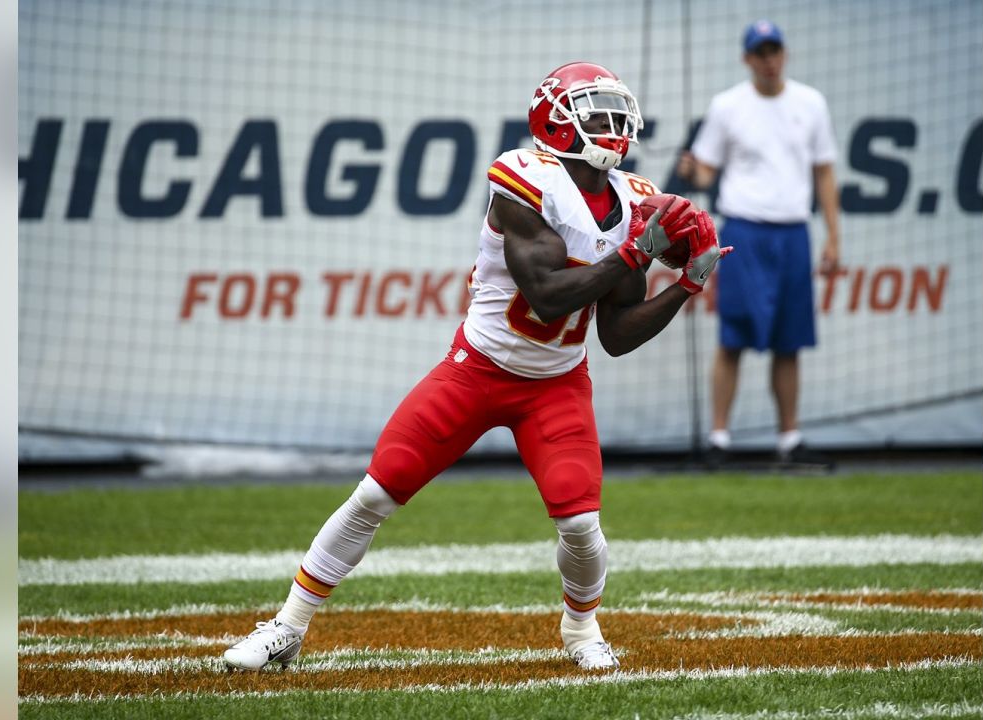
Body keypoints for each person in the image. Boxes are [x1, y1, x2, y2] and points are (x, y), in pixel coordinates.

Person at [223, 62, 729, 672]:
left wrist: (684, 287)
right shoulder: (522, 178)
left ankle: (581, 629)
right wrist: (634, 252)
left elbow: (617, 335)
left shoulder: (632, 201)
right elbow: (546, 294)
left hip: (557, 383)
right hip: (477, 368)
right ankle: (287, 627)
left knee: (581, 524)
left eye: (617, 112)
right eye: (597, 111)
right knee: (376, 493)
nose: (614, 124)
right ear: (557, 120)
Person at [677, 19, 841, 468]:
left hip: (792, 231)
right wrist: (691, 170)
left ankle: (789, 440)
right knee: (734, 335)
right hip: (744, 230)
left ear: (785, 54)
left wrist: (833, 237)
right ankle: (719, 440)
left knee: (789, 340)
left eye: (775, 51)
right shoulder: (728, 105)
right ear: (747, 59)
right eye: (760, 53)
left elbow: (824, 172)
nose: (769, 60)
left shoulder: (811, 103)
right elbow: (707, 171)